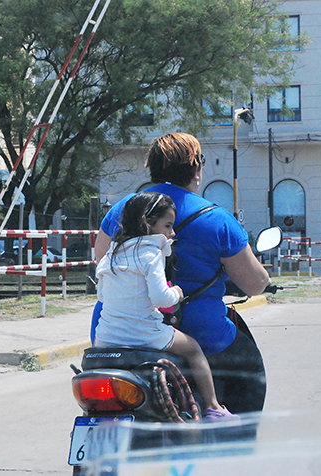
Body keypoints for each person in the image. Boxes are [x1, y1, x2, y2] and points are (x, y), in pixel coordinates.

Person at [92, 132, 270, 414]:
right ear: (196, 168)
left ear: (152, 167)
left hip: (112, 332)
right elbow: (255, 284)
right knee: (250, 372)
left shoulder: (125, 209)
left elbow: (102, 259)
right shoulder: (217, 219)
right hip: (198, 331)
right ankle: (230, 436)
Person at [95, 191, 234, 419]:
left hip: (106, 337)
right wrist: (177, 293)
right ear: (149, 223)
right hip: (145, 334)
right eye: (168, 225)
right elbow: (161, 298)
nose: (172, 232)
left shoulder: (112, 252)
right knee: (193, 349)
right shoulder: (151, 251)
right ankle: (213, 408)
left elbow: (102, 295)